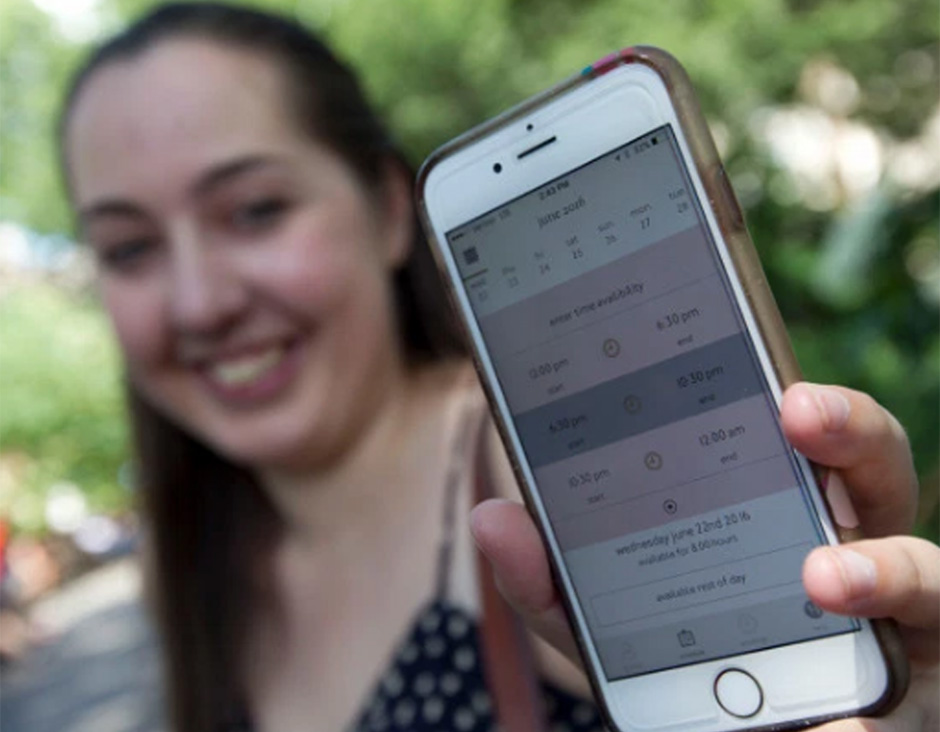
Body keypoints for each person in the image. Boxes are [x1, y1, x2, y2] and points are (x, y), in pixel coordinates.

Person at [58, 3, 938, 732]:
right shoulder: (210, 561)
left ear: (389, 213)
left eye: (253, 211)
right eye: (129, 248)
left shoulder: (534, 470)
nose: (199, 302)